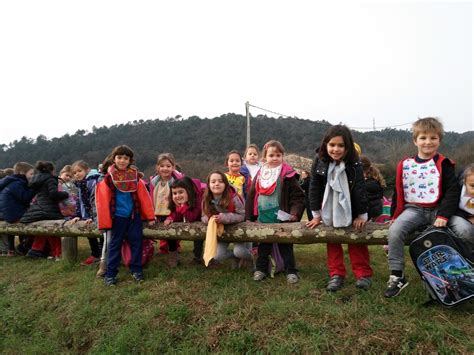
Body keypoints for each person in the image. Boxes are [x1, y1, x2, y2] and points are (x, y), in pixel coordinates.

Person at [384, 117, 460, 298]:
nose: (428, 142)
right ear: (415, 140)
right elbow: (399, 191)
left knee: (465, 229)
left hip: (440, 210)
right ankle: (397, 275)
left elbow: (452, 191)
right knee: (395, 231)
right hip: (414, 210)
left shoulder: (444, 163)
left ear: (439, 140)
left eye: (433, 138)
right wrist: (395, 215)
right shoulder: (406, 165)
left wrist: (443, 215)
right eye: (423, 138)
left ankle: (464, 270)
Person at [306, 125, 372, 291]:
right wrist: (316, 214)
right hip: (328, 209)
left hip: (351, 208)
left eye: (341, 145)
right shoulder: (319, 161)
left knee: (356, 239)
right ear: (325, 145)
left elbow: (359, 189)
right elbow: (314, 187)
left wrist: (362, 215)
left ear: (348, 147)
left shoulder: (354, 163)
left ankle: (363, 274)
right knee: (332, 239)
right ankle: (336, 274)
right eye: (332, 145)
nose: (336, 149)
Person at [95, 145, 155, 286]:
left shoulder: (135, 178)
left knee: (136, 243)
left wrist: (150, 217)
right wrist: (104, 221)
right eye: (119, 157)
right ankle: (110, 274)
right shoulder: (108, 179)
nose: (122, 160)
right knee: (115, 245)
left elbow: (144, 198)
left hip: (134, 216)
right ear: (114, 159)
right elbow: (102, 200)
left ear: (130, 160)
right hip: (117, 217)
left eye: (125, 158)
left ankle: (136, 270)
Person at [247, 140, 305, 284]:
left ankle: (291, 271)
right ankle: (261, 270)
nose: (275, 158)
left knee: (285, 245)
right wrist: (250, 216)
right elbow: (252, 195)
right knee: (264, 245)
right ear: (264, 157)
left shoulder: (288, 174)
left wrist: (294, 213)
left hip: (282, 217)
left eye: (278, 155)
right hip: (263, 217)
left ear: (282, 156)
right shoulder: (260, 173)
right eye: (271, 155)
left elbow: (298, 196)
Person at [21, 161, 69, 260]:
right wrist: (65, 194)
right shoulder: (50, 179)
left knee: (44, 229)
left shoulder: (35, 180)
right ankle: (57, 253)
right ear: (51, 170)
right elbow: (53, 194)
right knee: (55, 230)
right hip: (49, 210)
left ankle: (36, 250)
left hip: (37, 209)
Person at [201, 171, 250, 268]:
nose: (217, 184)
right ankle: (235, 257)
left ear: (225, 184)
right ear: (209, 185)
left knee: (239, 251)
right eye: (213, 181)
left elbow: (242, 215)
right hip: (222, 231)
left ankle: (253, 259)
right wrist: (210, 219)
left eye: (220, 181)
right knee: (217, 255)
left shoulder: (233, 197)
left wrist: (224, 217)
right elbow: (203, 216)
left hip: (238, 229)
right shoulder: (206, 198)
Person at [163, 176, 204, 266]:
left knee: (198, 236)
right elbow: (176, 216)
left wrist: (183, 206)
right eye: (174, 193)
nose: (177, 196)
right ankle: (173, 255)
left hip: (199, 222)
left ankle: (197, 257)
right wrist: (171, 217)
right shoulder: (176, 200)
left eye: (181, 192)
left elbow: (192, 217)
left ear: (189, 191)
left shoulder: (197, 198)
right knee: (171, 227)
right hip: (189, 220)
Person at [68, 160, 103, 266]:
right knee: (89, 232)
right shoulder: (80, 184)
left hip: (98, 214)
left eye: (79, 171)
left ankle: (102, 254)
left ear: (87, 170)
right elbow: (80, 201)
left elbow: (94, 201)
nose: (77, 174)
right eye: (74, 173)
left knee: (101, 233)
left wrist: (93, 217)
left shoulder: (93, 181)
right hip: (87, 215)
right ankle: (95, 254)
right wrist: (78, 215)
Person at [149, 153, 183, 256]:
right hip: (158, 210)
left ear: (173, 167)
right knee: (161, 231)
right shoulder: (153, 182)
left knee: (170, 231)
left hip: (172, 211)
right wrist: (151, 214)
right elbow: (151, 198)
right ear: (157, 167)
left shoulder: (177, 182)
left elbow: (180, 200)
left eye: (168, 166)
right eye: (162, 166)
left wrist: (172, 215)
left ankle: (174, 252)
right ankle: (163, 249)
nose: (165, 168)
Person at [0, 162, 35, 256]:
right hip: (14, 215)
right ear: (22, 173)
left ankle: (23, 247)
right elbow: (25, 198)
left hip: (8, 214)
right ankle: (25, 247)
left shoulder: (12, 182)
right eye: (31, 174)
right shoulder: (17, 183)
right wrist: (34, 189)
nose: (33, 176)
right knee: (35, 221)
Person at [449, 163, 474, 252]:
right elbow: (450, 204)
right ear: (464, 182)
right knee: (465, 230)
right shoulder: (458, 187)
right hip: (459, 214)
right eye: (472, 186)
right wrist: (467, 218)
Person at [360, 155, 386, 220]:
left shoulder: (369, 183)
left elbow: (363, 200)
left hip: (370, 213)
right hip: (376, 211)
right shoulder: (375, 178)